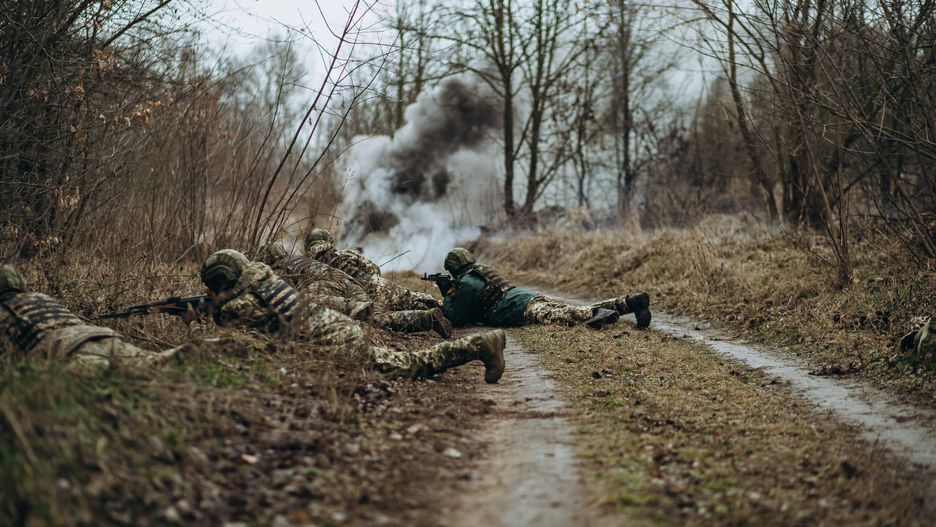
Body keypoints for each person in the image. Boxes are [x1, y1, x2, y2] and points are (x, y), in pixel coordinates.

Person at [202, 250, 506, 382]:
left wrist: (201, 320)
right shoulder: (265, 285)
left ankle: (481, 344)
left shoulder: (240, 306)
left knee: (414, 365)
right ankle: (472, 340)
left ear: (221, 281)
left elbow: (237, 344)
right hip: (340, 329)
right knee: (410, 359)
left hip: (338, 344)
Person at [0, 265, 179, 367]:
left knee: (101, 375)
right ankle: (187, 351)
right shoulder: (41, 297)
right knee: (153, 362)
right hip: (100, 336)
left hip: (66, 350)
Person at [260, 243, 452, 338]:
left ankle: (426, 319)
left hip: (329, 286)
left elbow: (284, 294)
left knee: (306, 300)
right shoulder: (301, 259)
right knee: (376, 316)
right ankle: (426, 317)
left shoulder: (280, 268)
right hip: (349, 282)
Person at [439, 247, 652, 330]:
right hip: (525, 296)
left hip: (516, 307)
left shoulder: (467, 283)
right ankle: (628, 302)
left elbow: (456, 318)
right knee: (565, 308)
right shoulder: (482, 270)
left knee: (557, 315)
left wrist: (448, 293)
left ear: (453, 268)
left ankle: (594, 314)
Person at [303, 228, 440, 312]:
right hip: (376, 287)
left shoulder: (306, 267)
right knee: (413, 298)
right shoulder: (343, 254)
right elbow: (374, 269)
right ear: (327, 240)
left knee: (405, 310)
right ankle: (442, 307)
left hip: (356, 303)